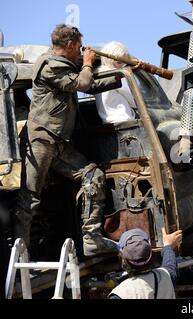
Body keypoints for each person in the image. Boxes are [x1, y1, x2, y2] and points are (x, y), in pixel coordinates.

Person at [13, 24, 122, 256]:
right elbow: (82, 83)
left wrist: (119, 76)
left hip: (58, 144)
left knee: (93, 176)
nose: (81, 51)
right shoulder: (49, 65)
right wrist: (87, 63)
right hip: (41, 140)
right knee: (29, 200)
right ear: (71, 44)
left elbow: (89, 85)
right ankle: (20, 253)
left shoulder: (63, 66)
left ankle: (92, 238)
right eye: (79, 47)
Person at [108, 227, 182, 299]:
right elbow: (170, 262)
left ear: (123, 261)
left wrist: (168, 246)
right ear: (151, 257)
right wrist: (167, 246)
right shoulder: (166, 276)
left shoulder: (120, 294)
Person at [94, 41, 137, 124]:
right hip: (124, 121)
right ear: (109, 59)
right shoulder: (117, 75)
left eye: (124, 63)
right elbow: (135, 101)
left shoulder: (98, 75)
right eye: (119, 62)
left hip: (107, 122)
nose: (122, 66)